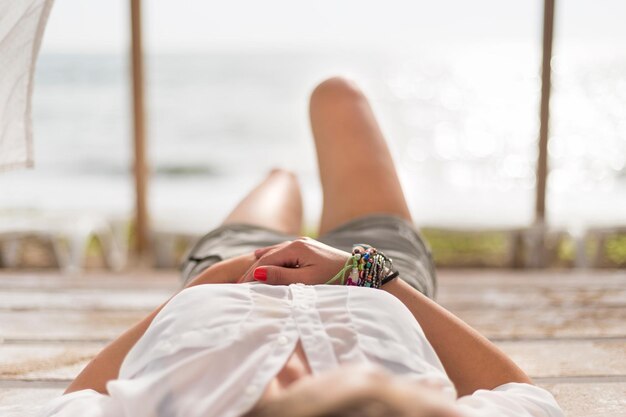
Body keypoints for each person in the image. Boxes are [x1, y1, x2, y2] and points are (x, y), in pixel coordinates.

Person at [39, 77, 564, 417]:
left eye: (278, 392)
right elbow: (526, 398)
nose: (284, 368)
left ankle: (283, 173)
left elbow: (77, 398)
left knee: (279, 183)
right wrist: (371, 274)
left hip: (234, 273)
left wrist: (214, 280)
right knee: (339, 97)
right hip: (377, 279)